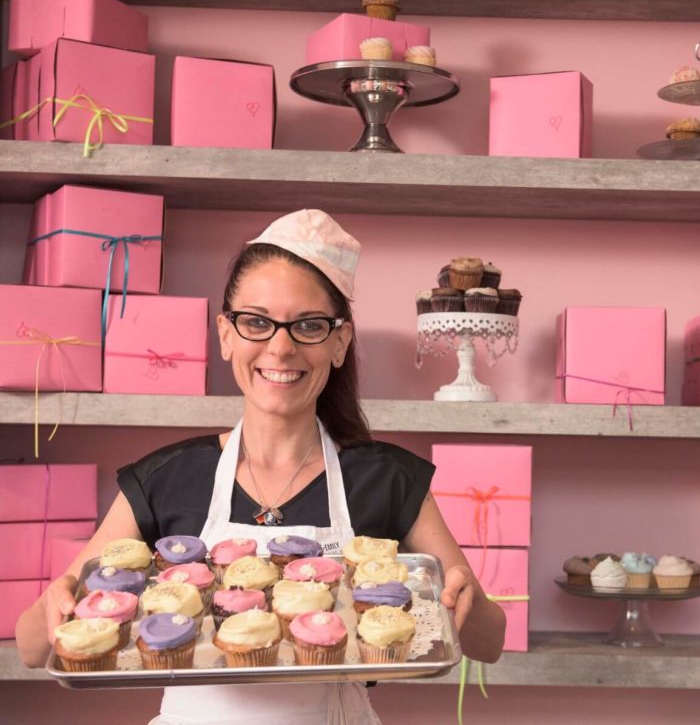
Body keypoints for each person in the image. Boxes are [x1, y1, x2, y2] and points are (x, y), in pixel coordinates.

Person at [16, 209, 506, 724]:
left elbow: (489, 643)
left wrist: (464, 603)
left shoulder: (389, 479)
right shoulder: (164, 479)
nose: (280, 346)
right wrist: (53, 603)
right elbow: (33, 649)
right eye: (256, 321)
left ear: (340, 343)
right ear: (226, 333)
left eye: (309, 325)